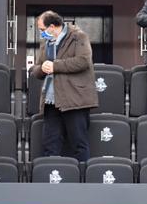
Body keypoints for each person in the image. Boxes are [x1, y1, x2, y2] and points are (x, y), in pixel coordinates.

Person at [31, 11, 97, 162]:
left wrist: (55, 66)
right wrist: (41, 69)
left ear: (52, 26)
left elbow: (83, 61)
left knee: (78, 143)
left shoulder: (78, 37)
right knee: (50, 144)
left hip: (74, 100)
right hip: (50, 101)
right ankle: (51, 179)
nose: (41, 34)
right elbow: (37, 67)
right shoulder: (45, 43)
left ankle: (82, 181)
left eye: (42, 30)